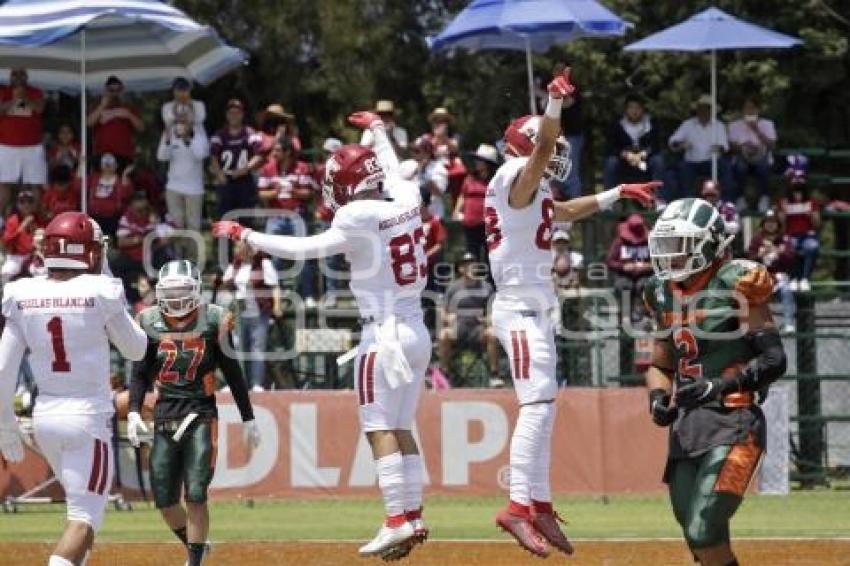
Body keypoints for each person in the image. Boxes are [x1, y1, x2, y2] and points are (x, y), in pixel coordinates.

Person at [213, 109, 431, 561]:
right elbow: (392, 168)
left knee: (378, 429)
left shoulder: (355, 215)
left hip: (383, 335)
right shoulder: (407, 198)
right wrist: (377, 131)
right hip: (417, 329)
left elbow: (304, 248)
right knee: (401, 426)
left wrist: (247, 233)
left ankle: (395, 521)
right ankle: (412, 513)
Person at [484, 68, 660, 557]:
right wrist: (554, 105)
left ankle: (538, 505)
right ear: (528, 145)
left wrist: (615, 194)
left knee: (545, 407)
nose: (556, 152)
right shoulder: (513, 177)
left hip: (535, 309)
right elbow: (543, 150)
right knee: (536, 405)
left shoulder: (530, 191)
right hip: (519, 308)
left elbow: (563, 212)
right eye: (545, 144)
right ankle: (517, 507)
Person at [0, 211, 148, 566]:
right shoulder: (100, 289)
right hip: (87, 417)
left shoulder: (23, 292)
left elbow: (4, 367)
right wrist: (110, 283)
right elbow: (137, 349)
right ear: (92, 253)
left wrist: (5, 423)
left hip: (46, 415)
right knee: (83, 519)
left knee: (85, 514)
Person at [644, 197, 786, 566]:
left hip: (735, 422)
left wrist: (719, 386)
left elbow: (774, 359)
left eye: (681, 246)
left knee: (702, 529)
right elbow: (660, 365)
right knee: (701, 538)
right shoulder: (659, 292)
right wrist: (658, 397)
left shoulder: (737, 281)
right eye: (667, 246)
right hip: (687, 428)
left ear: (709, 243)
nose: (671, 256)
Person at [127, 260, 261, 566]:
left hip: (201, 412)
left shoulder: (214, 319)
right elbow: (139, 373)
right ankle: (198, 545)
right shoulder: (148, 320)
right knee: (164, 499)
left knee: (197, 492)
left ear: (196, 290)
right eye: (169, 292)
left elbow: (233, 371)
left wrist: (248, 416)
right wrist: (134, 411)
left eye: (182, 291)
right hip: (164, 413)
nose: (175, 299)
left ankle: (195, 560)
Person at [257, 135, 318, 304]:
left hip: (296, 216)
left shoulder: (301, 168)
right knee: (275, 256)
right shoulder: (268, 169)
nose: (274, 153)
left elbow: (309, 192)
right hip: (275, 216)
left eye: (277, 150)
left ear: (288, 152)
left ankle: (307, 295)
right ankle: (280, 295)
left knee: (302, 254)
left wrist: (295, 191)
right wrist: (274, 192)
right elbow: (261, 193)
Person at [221, 241, 283, 391]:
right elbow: (225, 281)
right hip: (240, 311)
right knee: (239, 347)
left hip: (259, 311)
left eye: (240, 246)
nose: (237, 250)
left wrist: (277, 306)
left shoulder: (264, 264)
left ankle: (256, 383)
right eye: (236, 247)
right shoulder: (236, 265)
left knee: (257, 348)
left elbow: (274, 286)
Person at [437, 252, 500, 386]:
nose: (470, 267)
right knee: (443, 335)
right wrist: (448, 318)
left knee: (493, 334)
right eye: (465, 265)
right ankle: (444, 373)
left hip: (478, 330)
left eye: (472, 264)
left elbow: (493, 312)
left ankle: (495, 374)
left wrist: (487, 320)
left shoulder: (486, 287)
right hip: (458, 328)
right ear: (460, 269)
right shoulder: (453, 287)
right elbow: (443, 311)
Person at [157, 90, 209, 244]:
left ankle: (193, 261)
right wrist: (168, 136)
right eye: (179, 117)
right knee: (175, 227)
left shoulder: (199, 133)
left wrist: (188, 138)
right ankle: (177, 259)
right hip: (173, 187)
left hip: (194, 188)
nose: (182, 120)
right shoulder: (170, 132)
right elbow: (161, 156)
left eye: (185, 117)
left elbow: (201, 154)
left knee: (193, 228)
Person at [209, 98, 267, 219]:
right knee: (225, 216)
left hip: (244, 181)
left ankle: (244, 238)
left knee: (246, 217)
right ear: (226, 115)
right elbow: (213, 156)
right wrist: (219, 174)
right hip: (226, 180)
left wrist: (245, 169)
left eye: (237, 113)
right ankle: (225, 238)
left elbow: (259, 154)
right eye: (231, 113)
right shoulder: (220, 134)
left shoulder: (250, 133)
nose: (234, 116)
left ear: (242, 114)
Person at [668, 94, 732, 200]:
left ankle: (726, 202)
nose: (703, 111)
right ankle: (688, 201)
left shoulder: (718, 125)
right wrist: (681, 145)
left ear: (711, 110)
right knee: (682, 170)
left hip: (712, 161)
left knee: (725, 168)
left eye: (707, 108)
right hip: (692, 162)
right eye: (701, 108)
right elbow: (673, 141)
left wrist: (718, 148)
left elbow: (724, 146)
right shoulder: (688, 124)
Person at [0, 67, 46, 212]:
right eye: (15, 74)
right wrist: (14, 99)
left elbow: (39, 109)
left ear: (26, 76)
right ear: (10, 76)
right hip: (7, 145)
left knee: (35, 183)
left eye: (21, 74)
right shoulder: (3, 92)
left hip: (33, 146)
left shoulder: (36, 92)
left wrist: (24, 97)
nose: (18, 77)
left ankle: (35, 218)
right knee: (4, 183)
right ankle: (2, 220)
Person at [603, 94, 665, 191]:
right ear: (626, 109)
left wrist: (643, 154)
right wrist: (626, 154)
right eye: (631, 108)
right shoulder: (618, 124)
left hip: (645, 158)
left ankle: (660, 199)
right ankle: (608, 202)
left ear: (643, 109)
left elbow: (655, 144)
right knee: (611, 162)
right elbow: (611, 146)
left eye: (638, 108)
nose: (634, 111)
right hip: (624, 160)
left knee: (658, 161)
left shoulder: (651, 123)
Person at [747, 210, 796, 332]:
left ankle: (789, 323)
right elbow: (749, 259)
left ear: (778, 224)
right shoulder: (757, 239)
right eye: (768, 222)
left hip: (780, 276)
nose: (770, 225)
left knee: (786, 290)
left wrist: (778, 251)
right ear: (763, 223)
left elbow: (791, 258)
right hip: (761, 276)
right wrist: (759, 255)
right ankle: (757, 324)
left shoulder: (784, 239)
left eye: (773, 222)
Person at [728, 96, 776, 211]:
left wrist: (757, 130)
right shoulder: (734, 125)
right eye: (746, 108)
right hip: (742, 155)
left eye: (752, 108)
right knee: (740, 168)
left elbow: (772, 145)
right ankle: (740, 199)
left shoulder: (767, 124)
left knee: (763, 167)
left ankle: (764, 199)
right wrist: (744, 147)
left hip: (761, 156)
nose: (749, 111)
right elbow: (730, 147)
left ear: (757, 110)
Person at [87, 76, 144, 171]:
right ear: (105, 90)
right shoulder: (97, 104)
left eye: (118, 90)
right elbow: (89, 123)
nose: (114, 93)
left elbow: (141, 127)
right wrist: (102, 106)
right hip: (102, 153)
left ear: (122, 91)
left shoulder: (128, 107)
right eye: (111, 90)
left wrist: (128, 115)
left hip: (124, 154)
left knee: (122, 183)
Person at [778, 161, 819, 292]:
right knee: (790, 247)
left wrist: (812, 215)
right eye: (794, 179)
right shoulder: (783, 202)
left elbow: (817, 224)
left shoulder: (811, 202)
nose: (797, 182)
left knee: (812, 246)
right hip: (790, 235)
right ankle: (793, 278)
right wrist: (783, 214)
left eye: (801, 179)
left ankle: (805, 279)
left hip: (808, 235)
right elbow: (781, 228)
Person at [454, 144, 499, 260]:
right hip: (469, 222)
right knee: (471, 255)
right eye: (477, 159)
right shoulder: (470, 178)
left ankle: (489, 278)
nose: (476, 162)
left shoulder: (495, 180)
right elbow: (462, 196)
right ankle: (475, 277)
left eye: (480, 160)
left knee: (489, 254)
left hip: (487, 224)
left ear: (487, 163)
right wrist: (457, 211)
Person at [605, 213, 653, 322]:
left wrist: (648, 266)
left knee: (646, 286)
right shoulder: (619, 242)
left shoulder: (649, 242)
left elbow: (659, 261)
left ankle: (646, 314)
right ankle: (626, 317)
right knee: (624, 286)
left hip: (644, 275)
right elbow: (609, 261)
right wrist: (623, 267)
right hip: (624, 275)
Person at [2, 189, 46, 282]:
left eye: (30, 202)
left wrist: (35, 229)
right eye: (22, 202)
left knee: (41, 272)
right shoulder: (12, 220)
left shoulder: (39, 219)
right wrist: (21, 228)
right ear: (18, 205)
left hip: (34, 256)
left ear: (34, 204)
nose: (26, 205)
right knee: (7, 271)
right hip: (16, 256)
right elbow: (6, 241)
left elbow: (44, 240)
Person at [87, 153, 135, 240]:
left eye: (110, 164)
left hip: (113, 218)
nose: (108, 167)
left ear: (116, 166)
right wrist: (81, 164)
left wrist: (124, 177)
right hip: (94, 216)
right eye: (105, 164)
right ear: (101, 165)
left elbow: (126, 195)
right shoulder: (93, 178)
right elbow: (78, 186)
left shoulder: (120, 181)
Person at [412, 135, 449, 219]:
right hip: (414, 218)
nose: (414, 154)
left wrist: (423, 172)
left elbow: (438, 192)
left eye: (417, 151)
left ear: (427, 153)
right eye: (413, 150)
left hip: (433, 217)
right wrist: (417, 170)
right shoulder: (410, 165)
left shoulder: (439, 168)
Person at [420, 190, 447, 294]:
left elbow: (440, 244)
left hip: (432, 265)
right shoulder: (415, 224)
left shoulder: (434, 222)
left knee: (432, 291)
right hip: (420, 267)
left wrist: (426, 255)